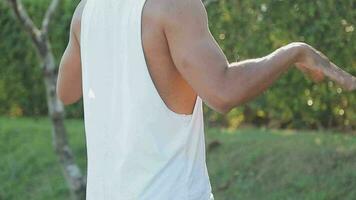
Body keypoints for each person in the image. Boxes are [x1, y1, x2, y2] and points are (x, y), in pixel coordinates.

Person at [56, 0, 356, 199]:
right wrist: (293, 52)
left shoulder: (86, 10)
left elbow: (66, 91)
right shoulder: (173, 6)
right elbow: (222, 91)